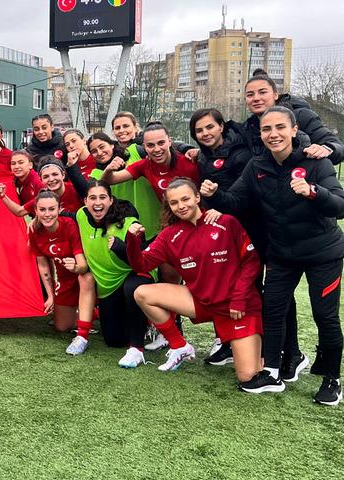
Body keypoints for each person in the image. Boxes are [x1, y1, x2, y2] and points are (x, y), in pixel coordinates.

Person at [202, 107, 344, 405]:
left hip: (323, 254)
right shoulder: (257, 165)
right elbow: (236, 201)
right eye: (267, 129)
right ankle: (272, 371)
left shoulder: (315, 162)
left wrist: (313, 192)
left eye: (280, 127)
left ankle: (332, 379)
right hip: (281, 254)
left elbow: (340, 206)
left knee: (324, 315)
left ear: (294, 130)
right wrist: (214, 194)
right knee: (272, 310)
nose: (273, 134)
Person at [124, 179, 263, 381]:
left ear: (197, 197)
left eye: (185, 199)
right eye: (174, 203)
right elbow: (141, 266)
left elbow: (252, 263)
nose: (181, 206)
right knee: (142, 293)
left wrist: (239, 299)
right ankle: (179, 346)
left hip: (236, 307)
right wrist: (132, 241)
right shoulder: (169, 235)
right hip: (201, 302)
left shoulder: (225, 222)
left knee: (248, 376)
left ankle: (264, 353)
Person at [188, 107, 259, 366]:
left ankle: (265, 348)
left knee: (250, 290)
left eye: (209, 127)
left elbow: (244, 196)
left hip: (246, 228)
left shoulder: (241, 154)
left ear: (221, 127)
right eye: (199, 130)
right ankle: (228, 342)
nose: (205, 133)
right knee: (223, 285)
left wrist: (218, 201)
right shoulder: (204, 156)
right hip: (221, 231)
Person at [76, 180, 156, 367]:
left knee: (132, 287)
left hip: (135, 275)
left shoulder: (129, 224)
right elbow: (64, 217)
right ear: (85, 201)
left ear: (111, 200)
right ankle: (143, 320)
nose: (98, 203)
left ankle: (138, 346)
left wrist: (123, 248)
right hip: (108, 286)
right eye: (92, 198)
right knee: (114, 340)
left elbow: (144, 262)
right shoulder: (81, 216)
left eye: (103, 197)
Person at [25, 190, 96, 354]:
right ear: (35, 211)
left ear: (59, 209)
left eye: (52, 209)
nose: (47, 214)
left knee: (86, 277)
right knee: (61, 326)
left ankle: (92, 311)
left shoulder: (69, 225)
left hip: (84, 276)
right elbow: (43, 264)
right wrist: (50, 295)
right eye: (42, 210)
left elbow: (83, 266)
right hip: (65, 280)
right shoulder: (35, 232)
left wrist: (76, 267)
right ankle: (81, 311)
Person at [241, 69, 342, 164]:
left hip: (301, 180)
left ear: (276, 95)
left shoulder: (302, 116)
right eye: (250, 95)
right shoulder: (247, 128)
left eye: (262, 92)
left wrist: (327, 149)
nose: (256, 98)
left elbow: (337, 146)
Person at [100, 123, 200, 202]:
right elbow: (109, 180)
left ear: (169, 142)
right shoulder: (144, 165)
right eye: (150, 145)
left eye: (161, 143)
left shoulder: (189, 161)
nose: (157, 149)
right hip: (172, 221)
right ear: (144, 146)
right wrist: (109, 169)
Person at [108, 113, 169, 236]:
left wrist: (187, 148)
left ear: (136, 127)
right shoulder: (110, 153)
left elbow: (168, 147)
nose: (122, 131)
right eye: (117, 128)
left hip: (151, 217)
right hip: (124, 219)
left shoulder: (143, 149)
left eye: (126, 126)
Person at [0, 159, 82, 218]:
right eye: (46, 176)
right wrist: (3, 196)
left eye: (55, 174)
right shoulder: (43, 197)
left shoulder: (76, 189)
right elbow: (19, 211)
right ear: (41, 180)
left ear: (63, 175)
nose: (51, 179)